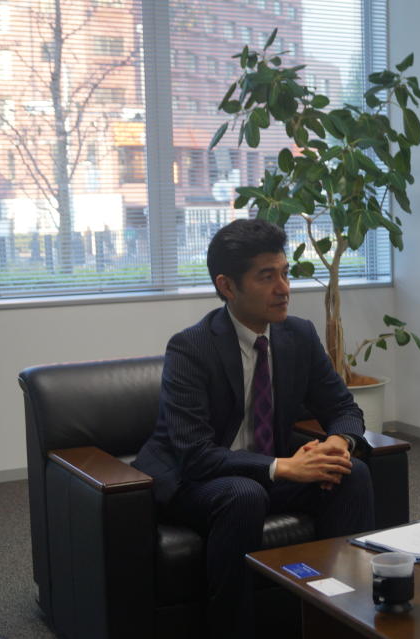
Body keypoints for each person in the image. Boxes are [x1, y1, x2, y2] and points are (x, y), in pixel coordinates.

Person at [134, 218, 374, 638]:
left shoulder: (297, 335)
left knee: (351, 472)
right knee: (243, 494)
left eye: (284, 272)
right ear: (227, 286)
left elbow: (343, 408)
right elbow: (195, 454)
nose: (284, 287)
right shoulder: (191, 347)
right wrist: (283, 467)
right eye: (267, 276)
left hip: (266, 469)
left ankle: (341, 620)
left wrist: (336, 444)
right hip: (196, 479)